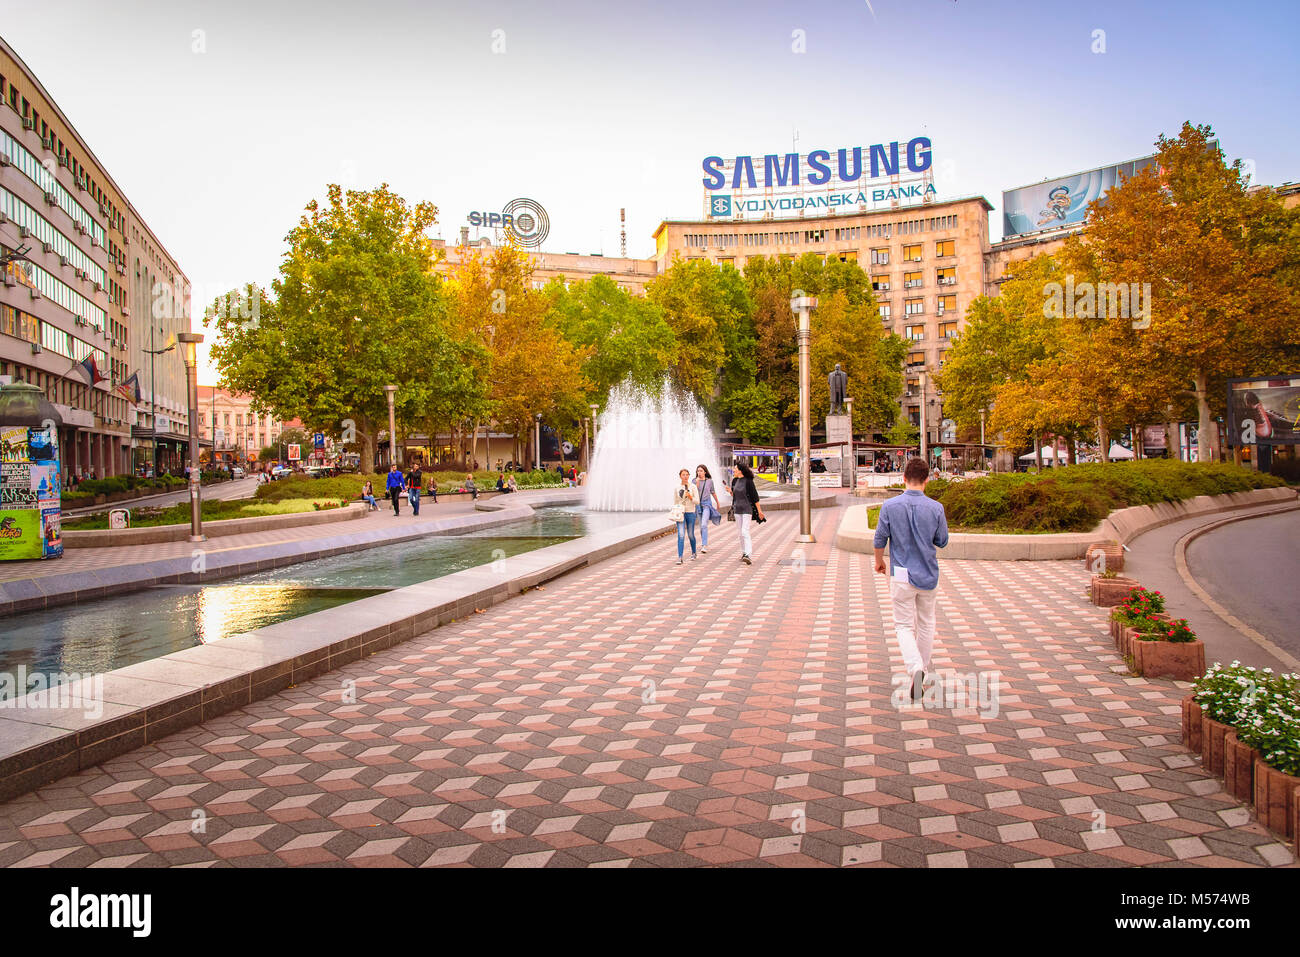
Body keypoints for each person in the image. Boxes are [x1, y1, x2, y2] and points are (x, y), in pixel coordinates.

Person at [872, 457, 950, 703]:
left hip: (901, 573)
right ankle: (923, 672)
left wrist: (879, 561)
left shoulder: (890, 505)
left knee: (903, 625)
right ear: (927, 480)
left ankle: (914, 667)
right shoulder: (936, 508)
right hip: (928, 573)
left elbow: (879, 539)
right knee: (926, 623)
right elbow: (942, 541)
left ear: (903, 478)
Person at [727, 462, 765, 565]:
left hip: (747, 509)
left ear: (740, 470)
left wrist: (759, 511)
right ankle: (744, 553)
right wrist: (731, 491)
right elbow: (735, 495)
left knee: (745, 531)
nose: (733, 470)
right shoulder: (734, 481)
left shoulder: (748, 481)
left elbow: (755, 497)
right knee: (740, 533)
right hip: (737, 509)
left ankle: (748, 554)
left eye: (735, 468)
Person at [672, 468, 700, 565]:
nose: (685, 476)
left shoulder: (693, 487)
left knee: (691, 534)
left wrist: (690, 497)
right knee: (681, 534)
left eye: (687, 474)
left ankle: (694, 552)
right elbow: (675, 501)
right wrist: (675, 511)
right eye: (683, 474)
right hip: (680, 513)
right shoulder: (677, 487)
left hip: (690, 512)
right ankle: (680, 557)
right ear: (680, 476)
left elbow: (697, 501)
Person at [694, 464, 721, 554]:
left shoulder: (709, 481)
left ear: (705, 472)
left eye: (701, 471)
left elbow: (712, 492)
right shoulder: (694, 481)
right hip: (698, 506)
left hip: (707, 505)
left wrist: (717, 502)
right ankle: (703, 543)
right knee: (701, 526)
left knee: (704, 524)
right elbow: (694, 493)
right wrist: (697, 483)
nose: (699, 472)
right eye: (698, 471)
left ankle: (704, 545)